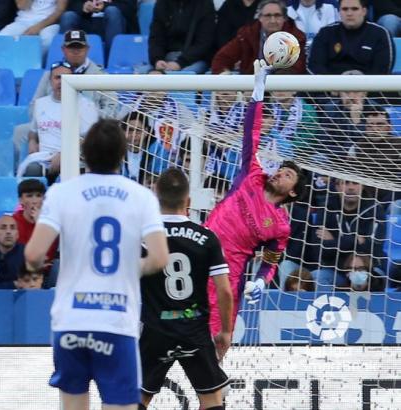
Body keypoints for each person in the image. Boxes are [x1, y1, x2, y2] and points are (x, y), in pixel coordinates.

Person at [24, 118, 169, 410]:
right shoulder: (141, 197)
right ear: (122, 154)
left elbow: (33, 255)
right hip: (116, 320)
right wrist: (129, 268)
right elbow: (160, 258)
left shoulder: (62, 193)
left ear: (84, 153)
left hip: (71, 320)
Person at [204, 60, 307, 338]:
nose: (278, 174)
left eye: (286, 175)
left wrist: (262, 280)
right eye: (280, 170)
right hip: (197, 258)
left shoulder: (280, 226)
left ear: (293, 192)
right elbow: (252, 131)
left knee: (217, 341)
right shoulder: (252, 173)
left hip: (226, 278)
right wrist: (258, 88)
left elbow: (271, 261)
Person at [139, 168, 232, 410]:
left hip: (155, 329)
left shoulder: (142, 238)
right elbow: (224, 291)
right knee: (212, 399)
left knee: (138, 398)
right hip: (194, 330)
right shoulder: (207, 237)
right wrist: (225, 331)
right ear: (188, 201)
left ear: (155, 200)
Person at [18, 61, 99, 182]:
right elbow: (33, 130)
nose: (61, 82)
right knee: (31, 171)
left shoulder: (86, 105)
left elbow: (89, 138)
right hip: (44, 160)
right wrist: (32, 140)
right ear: (50, 81)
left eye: (66, 78)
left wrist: (63, 155)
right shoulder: (40, 104)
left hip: (75, 159)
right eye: (57, 78)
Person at [310, 178, 380, 291]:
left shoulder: (375, 209)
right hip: (337, 270)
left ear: (362, 186)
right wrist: (355, 240)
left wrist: (334, 240)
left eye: (355, 182)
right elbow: (320, 250)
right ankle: (328, 307)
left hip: (368, 270)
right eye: (346, 182)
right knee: (318, 276)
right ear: (337, 187)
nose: (351, 187)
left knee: (379, 276)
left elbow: (373, 248)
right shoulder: (326, 208)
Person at [211, 0, 307, 75]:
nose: (272, 20)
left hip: (282, 91)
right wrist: (227, 80)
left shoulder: (296, 37)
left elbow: (296, 68)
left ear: (284, 18)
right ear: (260, 17)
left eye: (277, 15)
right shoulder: (247, 35)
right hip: (251, 89)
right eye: (268, 16)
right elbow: (221, 59)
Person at [307, 0, 394, 75]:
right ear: (339, 11)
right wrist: (334, 87)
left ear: (364, 11)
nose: (349, 13)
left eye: (354, 9)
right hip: (331, 90)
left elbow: (382, 69)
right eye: (345, 9)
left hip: (370, 90)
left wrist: (364, 88)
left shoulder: (380, 33)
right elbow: (315, 66)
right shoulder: (325, 33)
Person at [147, 0, 216, 74]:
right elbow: (156, 38)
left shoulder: (205, 4)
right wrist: (157, 59)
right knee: (142, 72)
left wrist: (180, 62)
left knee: (182, 76)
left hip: (195, 59)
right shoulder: (162, 3)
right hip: (166, 58)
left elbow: (204, 42)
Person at [58, 0, 136, 57]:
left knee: (112, 11)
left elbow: (130, 8)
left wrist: (104, 6)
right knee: (68, 16)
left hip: (116, 24)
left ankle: (112, 60)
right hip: (87, 22)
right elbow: (71, 5)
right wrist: (84, 6)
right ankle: (64, 63)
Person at [0, 0, 67, 57]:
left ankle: (36, 68)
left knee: (48, 40)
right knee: (2, 37)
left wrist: (38, 27)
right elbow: (22, 6)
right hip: (23, 21)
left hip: (48, 23)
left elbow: (60, 10)